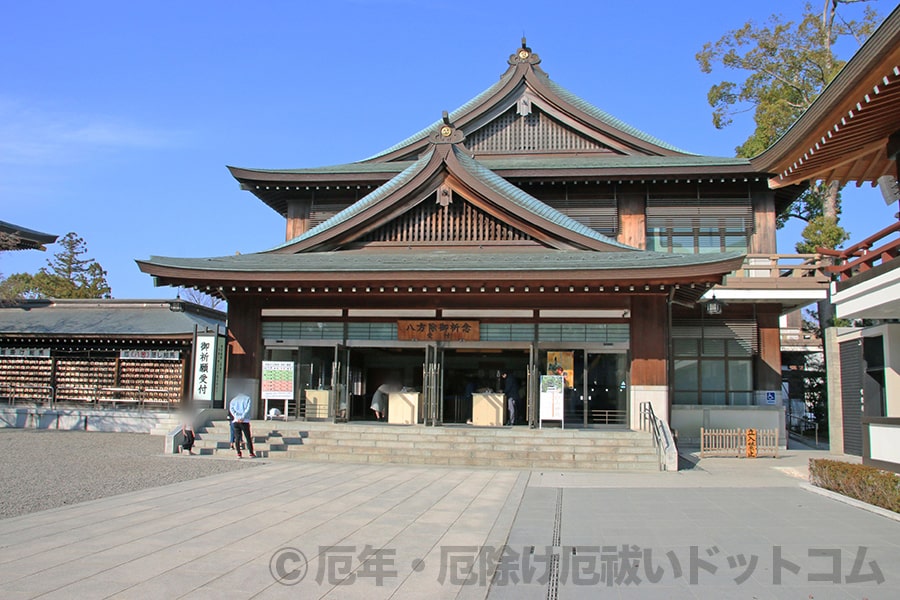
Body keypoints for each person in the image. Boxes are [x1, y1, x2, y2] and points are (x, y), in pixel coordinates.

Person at [229, 393, 256, 458]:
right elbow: (247, 409)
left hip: (236, 420)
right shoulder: (247, 398)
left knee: (237, 437)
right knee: (248, 437)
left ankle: (238, 453)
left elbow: (231, 409)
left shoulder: (233, 400)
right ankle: (251, 453)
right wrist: (242, 417)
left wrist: (237, 416)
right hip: (245, 420)